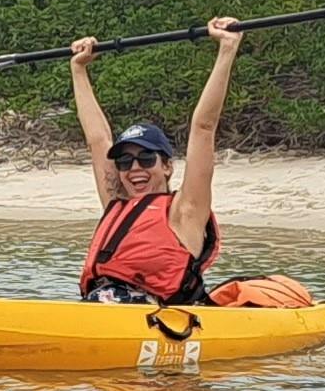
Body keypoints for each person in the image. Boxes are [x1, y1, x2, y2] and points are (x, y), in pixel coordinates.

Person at [69, 16, 243, 304]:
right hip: (101, 308)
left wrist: (227, 49)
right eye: (124, 162)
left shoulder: (186, 211)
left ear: (166, 166)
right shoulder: (116, 203)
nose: (134, 168)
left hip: (157, 318)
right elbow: (98, 140)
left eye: (145, 158)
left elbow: (203, 127)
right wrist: (79, 69)